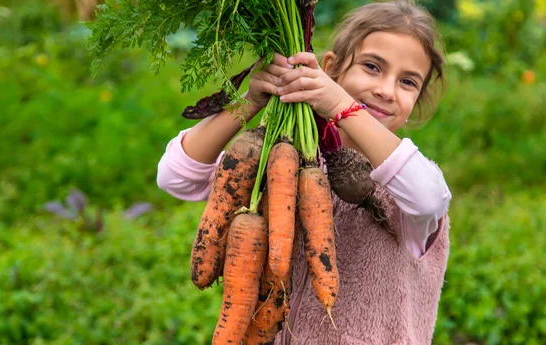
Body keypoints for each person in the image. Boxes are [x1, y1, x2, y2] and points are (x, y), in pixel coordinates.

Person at [157, 1, 452, 344]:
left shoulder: (406, 189)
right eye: (372, 67)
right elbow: (175, 177)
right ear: (331, 68)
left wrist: (342, 105)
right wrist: (249, 102)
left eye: (407, 82)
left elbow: (430, 197)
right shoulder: (283, 165)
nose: (386, 89)